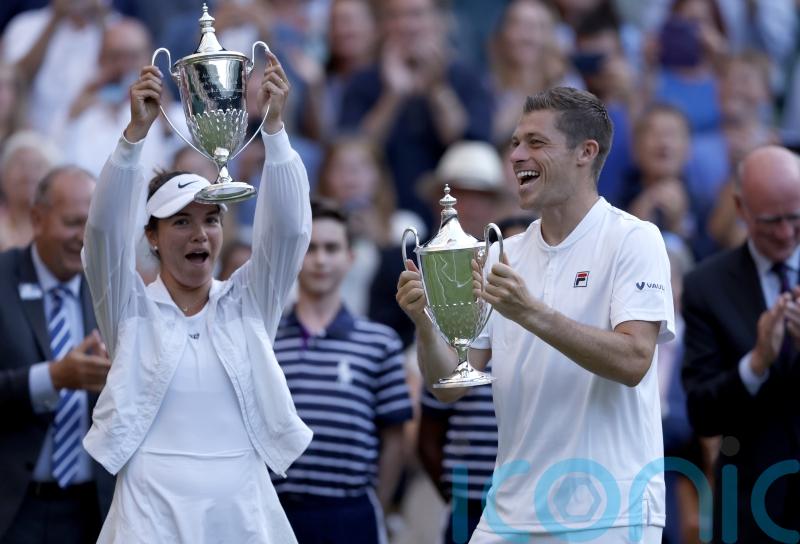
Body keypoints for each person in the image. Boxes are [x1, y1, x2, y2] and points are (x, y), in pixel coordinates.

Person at [397, 87, 674, 543]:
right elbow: (449, 386)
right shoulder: (501, 254)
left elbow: (633, 361)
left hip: (610, 513)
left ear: (586, 153)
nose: (517, 155)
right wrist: (425, 322)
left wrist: (531, 313)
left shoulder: (635, 239)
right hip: (508, 512)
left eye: (536, 143)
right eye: (515, 143)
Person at [81, 54, 313, 543]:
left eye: (210, 219)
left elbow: (290, 232)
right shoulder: (129, 309)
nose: (199, 235)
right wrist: (132, 141)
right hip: (148, 516)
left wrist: (274, 130)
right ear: (151, 235)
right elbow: (101, 234)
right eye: (181, 221)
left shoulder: (249, 303)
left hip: (243, 515)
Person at [272, 199, 413, 543]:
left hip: (350, 513)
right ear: (294, 257)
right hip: (275, 510)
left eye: (332, 248)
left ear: (351, 258)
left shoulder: (380, 343)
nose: (321, 259)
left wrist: (376, 504)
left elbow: (395, 437)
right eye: (310, 248)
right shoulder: (266, 339)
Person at [681, 145, 800, 541]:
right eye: (770, 220)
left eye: (795, 218)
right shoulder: (706, 286)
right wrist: (757, 362)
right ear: (740, 207)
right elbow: (703, 412)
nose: (785, 232)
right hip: (750, 506)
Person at [0, 165, 113, 544]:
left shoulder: (110, 290)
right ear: (37, 218)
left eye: (91, 223)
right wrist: (53, 378)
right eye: (72, 222)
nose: (82, 237)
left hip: (90, 511)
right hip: (14, 509)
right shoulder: (3, 279)